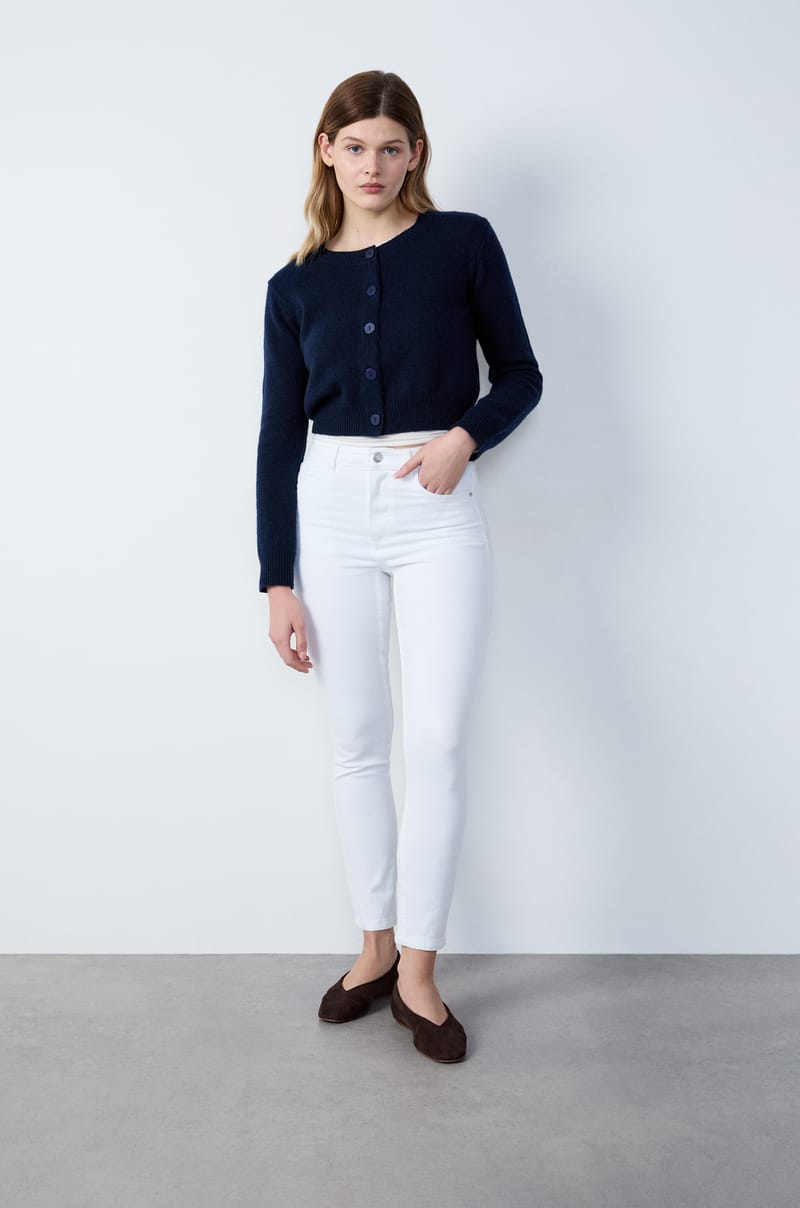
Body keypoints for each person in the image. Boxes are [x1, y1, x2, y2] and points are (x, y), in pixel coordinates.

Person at [255, 69, 543, 1063]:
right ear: (325, 152)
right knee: (357, 740)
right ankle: (373, 946)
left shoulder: (462, 242)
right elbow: (276, 437)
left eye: (389, 146)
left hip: (436, 506)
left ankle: (419, 969)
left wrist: (465, 437)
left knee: (439, 740)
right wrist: (277, 578)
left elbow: (520, 373)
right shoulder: (293, 285)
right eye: (353, 146)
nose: (371, 165)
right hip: (330, 508)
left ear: (415, 152)